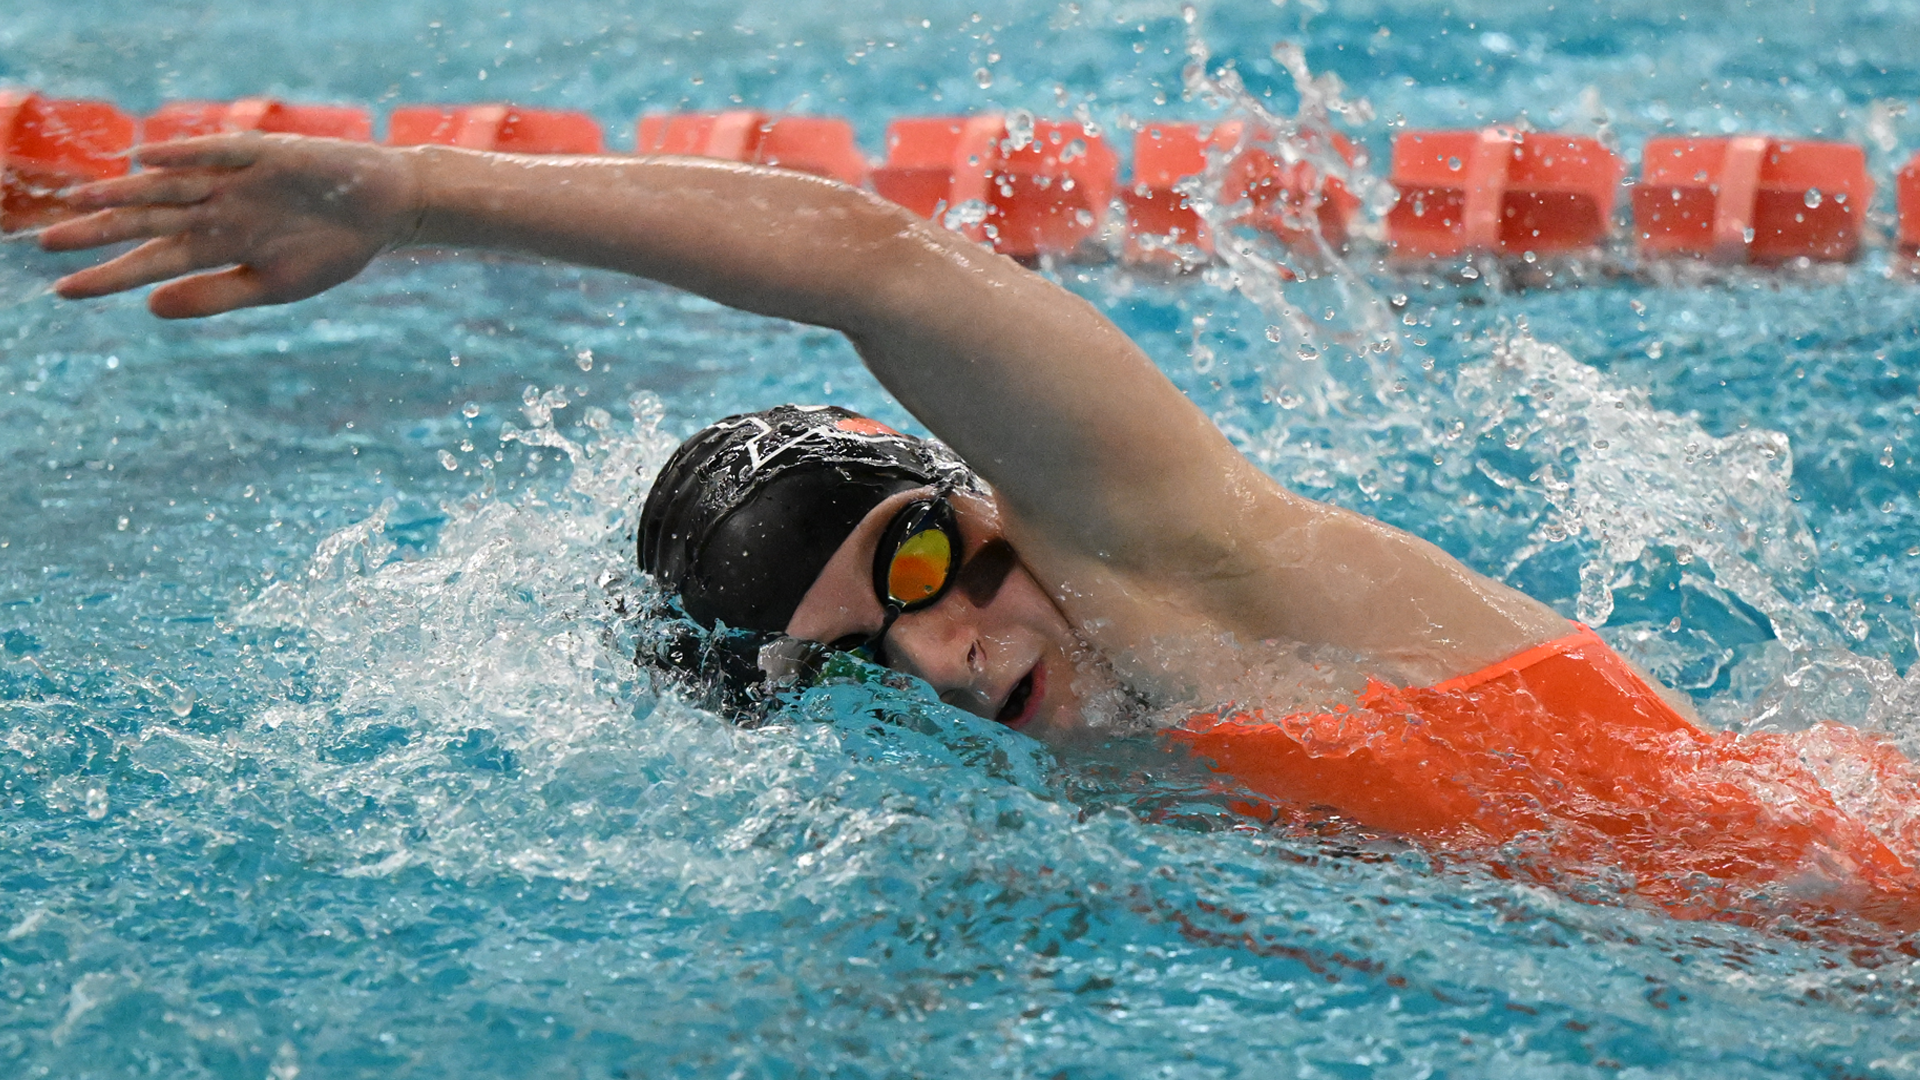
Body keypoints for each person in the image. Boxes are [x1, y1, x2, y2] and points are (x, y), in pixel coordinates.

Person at [37, 132, 1920, 928]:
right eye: (869, 653)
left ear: (984, 502)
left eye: (927, 564)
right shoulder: (1107, 783)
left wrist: (402, 193)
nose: (946, 648)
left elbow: (874, 257)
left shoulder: (1179, 563)